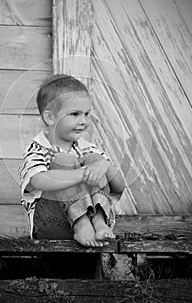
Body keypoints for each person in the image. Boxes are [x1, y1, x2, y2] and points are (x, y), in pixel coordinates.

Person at [19, 74, 126, 247]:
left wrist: (104, 166)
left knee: (95, 159)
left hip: (94, 224)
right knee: (64, 160)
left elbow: (119, 186)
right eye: (75, 114)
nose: (83, 121)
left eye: (87, 114)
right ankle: (81, 224)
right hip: (53, 223)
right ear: (50, 118)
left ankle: (99, 221)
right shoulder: (38, 149)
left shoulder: (89, 149)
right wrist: (85, 173)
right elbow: (39, 180)